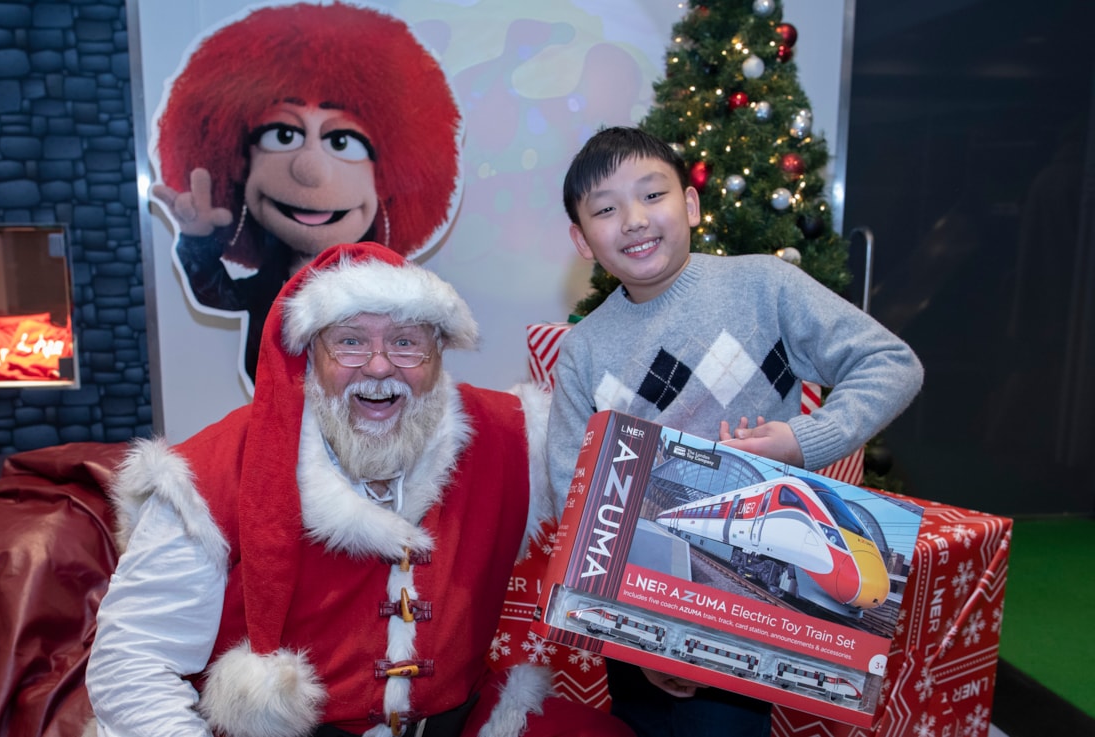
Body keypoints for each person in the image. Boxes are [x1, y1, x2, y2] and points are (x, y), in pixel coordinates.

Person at [86, 242, 634, 737]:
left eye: (405, 343)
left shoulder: (516, 438)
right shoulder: (210, 474)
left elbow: (631, 506)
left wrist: (677, 648)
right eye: (349, 343)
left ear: (439, 353)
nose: (378, 367)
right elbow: (132, 660)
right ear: (311, 357)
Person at [546, 127, 924, 737]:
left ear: (690, 205)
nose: (634, 220)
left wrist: (806, 440)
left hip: (747, 611)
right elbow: (573, 488)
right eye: (606, 209)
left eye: (652, 195)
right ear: (581, 239)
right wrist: (640, 640)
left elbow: (891, 364)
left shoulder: (763, 287)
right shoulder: (584, 350)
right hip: (637, 618)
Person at [151, 2, 462, 387]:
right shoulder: (269, 283)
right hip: (277, 421)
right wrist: (198, 239)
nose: (309, 169)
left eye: (343, 140)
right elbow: (217, 294)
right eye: (283, 135)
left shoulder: (389, 287)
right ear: (238, 161)